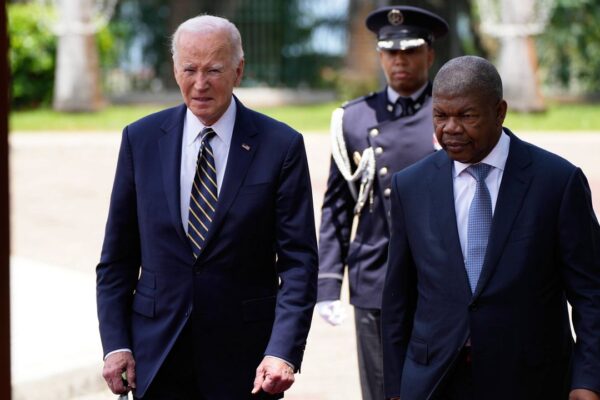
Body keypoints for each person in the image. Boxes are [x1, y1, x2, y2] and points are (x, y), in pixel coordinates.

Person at [96, 15, 318, 399]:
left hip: (246, 361)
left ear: (239, 69)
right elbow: (117, 257)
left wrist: (282, 351)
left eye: (214, 70)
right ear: (174, 69)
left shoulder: (280, 146)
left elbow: (299, 263)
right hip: (157, 355)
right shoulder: (141, 140)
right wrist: (117, 345)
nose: (200, 84)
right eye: (189, 69)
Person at [381, 55, 600, 400]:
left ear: (499, 112)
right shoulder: (411, 186)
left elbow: (591, 294)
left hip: (531, 380)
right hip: (435, 380)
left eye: (466, 116)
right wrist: (394, 386)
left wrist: (588, 380)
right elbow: (398, 297)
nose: (450, 128)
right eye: (440, 116)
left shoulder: (557, 182)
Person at [316, 5, 448, 399]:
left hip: (438, 276)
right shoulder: (354, 119)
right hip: (375, 275)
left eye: (409, 51)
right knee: (380, 389)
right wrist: (327, 284)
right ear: (380, 55)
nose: (399, 61)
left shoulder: (449, 113)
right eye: (391, 52)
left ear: (429, 54)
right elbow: (338, 206)